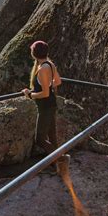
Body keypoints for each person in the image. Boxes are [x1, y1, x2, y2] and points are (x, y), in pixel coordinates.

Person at [22, 40, 69, 169]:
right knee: (52, 135)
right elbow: (57, 81)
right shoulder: (50, 64)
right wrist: (47, 84)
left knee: (40, 139)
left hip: (45, 107)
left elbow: (45, 94)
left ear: (34, 54)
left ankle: (61, 159)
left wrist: (30, 94)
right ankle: (58, 165)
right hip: (51, 104)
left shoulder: (42, 69)